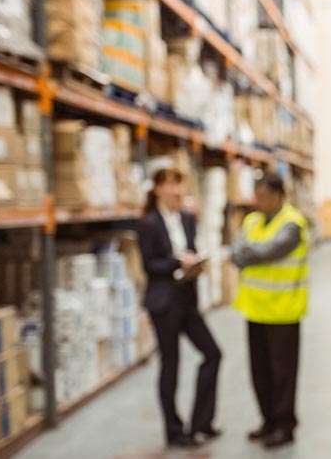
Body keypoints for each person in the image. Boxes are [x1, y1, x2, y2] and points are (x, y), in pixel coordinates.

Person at [137, 167, 222, 449]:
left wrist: (195, 264)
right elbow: (151, 265)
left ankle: (202, 423)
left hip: (187, 299)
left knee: (213, 353)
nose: (177, 191)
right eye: (171, 185)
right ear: (158, 189)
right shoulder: (148, 223)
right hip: (164, 303)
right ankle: (174, 432)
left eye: (179, 185)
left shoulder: (187, 218)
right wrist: (178, 263)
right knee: (170, 365)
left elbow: (190, 249)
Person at [230, 172, 310, 449]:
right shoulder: (251, 220)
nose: (258, 202)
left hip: (283, 312)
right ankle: (268, 421)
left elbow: (269, 252)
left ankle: (284, 426)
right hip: (254, 309)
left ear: (279, 196)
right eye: (256, 196)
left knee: (283, 374)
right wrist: (247, 252)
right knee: (260, 372)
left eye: (264, 196)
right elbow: (236, 251)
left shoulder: (292, 224)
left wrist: (248, 253)